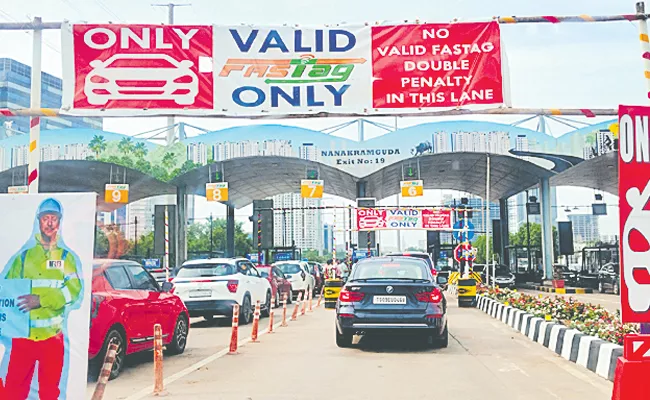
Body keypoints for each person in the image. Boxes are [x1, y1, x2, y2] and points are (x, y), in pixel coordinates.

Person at [2, 198, 82, 400]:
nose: (49, 223)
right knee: (12, 392)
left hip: (52, 339)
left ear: (59, 222)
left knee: (49, 393)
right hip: (23, 339)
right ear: (38, 221)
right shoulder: (22, 258)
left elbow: (73, 292)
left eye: (53, 218)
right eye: (45, 218)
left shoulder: (66, 259)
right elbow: (6, 292)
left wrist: (41, 299)